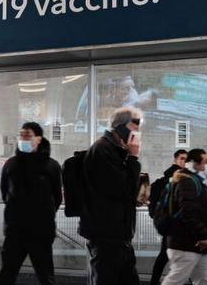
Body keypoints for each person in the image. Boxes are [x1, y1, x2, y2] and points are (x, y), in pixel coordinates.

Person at [79, 106, 143, 285]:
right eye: (134, 129)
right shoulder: (103, 150)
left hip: (118, 234)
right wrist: (133, 159)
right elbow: (122, 189)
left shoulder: (114, 150)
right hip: (106, 233)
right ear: (122, 127)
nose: (136, 135)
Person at [0, 122, 62, 285]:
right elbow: (5, 192)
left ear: (39, 139)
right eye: (21, 135)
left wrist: (44, 212)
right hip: (15, 229)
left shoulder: (51, 166)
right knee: (7, 274)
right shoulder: (11, 164)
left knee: (45, 275)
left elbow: (57, 197)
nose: (23, 138)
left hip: (41, 230)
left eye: (28, 135)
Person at [162, 149, 207, 285]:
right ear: (195, 164)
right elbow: (189, 211)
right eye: (206, 162)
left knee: (205, 279)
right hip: (186, 242)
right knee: (176, 280)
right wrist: (201, 235)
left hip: (195, 244)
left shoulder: (193, 181)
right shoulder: (187, 182)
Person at [148, 149, 187, 285]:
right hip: (174, 223)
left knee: (167, 255)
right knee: (178, 256)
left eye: (186, 159)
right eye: (182, 158)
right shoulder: (172, 180)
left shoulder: (177, 179)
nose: (184, 161)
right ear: (175, 160)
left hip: (171, 223)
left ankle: (155, 281)